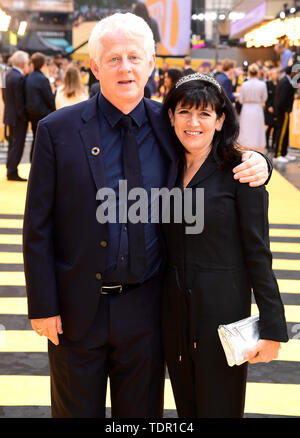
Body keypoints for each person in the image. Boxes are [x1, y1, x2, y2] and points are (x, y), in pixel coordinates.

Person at [23, 13, 272, 419]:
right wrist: (42, 305)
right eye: (115, 58)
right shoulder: (58, 129)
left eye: (135, 57)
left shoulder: (171, 124)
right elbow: (37, 226)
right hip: (73, 310)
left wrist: (258, 162)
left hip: (148, 310)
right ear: (95, 65)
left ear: (151, 64)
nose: (126, 67)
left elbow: (219, 154)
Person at [162, 73, 288, 418]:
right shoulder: (164, 167)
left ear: (220, 121)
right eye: (185, 111)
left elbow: (258, 251)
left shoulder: (241, 172)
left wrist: (273, 327)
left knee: (220, 406)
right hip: (171, 308)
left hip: (223, 309)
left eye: (204, 114)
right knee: (186, 404)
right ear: (171, 116)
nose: (193, 123)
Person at [3, 50, 30, 181]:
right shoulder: (19, 78)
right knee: (17, 145)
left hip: (9, 114)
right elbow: (20, 100)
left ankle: (10, 168)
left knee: (11, 144)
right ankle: (12, 171)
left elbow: (4, 96)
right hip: (18, 117)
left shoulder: (7, 74)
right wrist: (24, 116)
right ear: (24, 63)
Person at [25, 52, 55, 162]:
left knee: (35, 138)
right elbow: (49, 98)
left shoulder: (29, 77)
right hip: (43, 114)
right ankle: (38, 162)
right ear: (43, 64)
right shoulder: (43, 79)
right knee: (43, 141)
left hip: (31, 113)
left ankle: (32, 161)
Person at [237, 63, 268, 150]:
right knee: (256, 128)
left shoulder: (244, 84)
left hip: (246, 108)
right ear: (258, 73)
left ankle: (245, 146)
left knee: (245, 128)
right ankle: (257, 146)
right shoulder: (262, 84)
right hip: (257, 108)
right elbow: (265, 98)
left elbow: (241, 99)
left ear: (249, 73)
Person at [273, 65, 297, 164]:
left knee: (285, 133)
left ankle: (284, 153)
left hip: (283, 111)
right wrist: (285, 110)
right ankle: (278, 154)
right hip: (283, 112)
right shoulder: (285, 82)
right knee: (281, 133)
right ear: (292, 73)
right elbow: (281, 100)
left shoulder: (286, 81)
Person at [265, 69, 278, 150]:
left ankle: (273, 144)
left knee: (276, 127)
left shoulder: (279, 83)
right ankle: (267, 144)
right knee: (269, 127)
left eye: (276, 73)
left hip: (276, 108)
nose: (275, 75)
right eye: (273, 73)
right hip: (269, 108)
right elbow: (266, 97)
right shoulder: (267, 84)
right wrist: (268, 106)